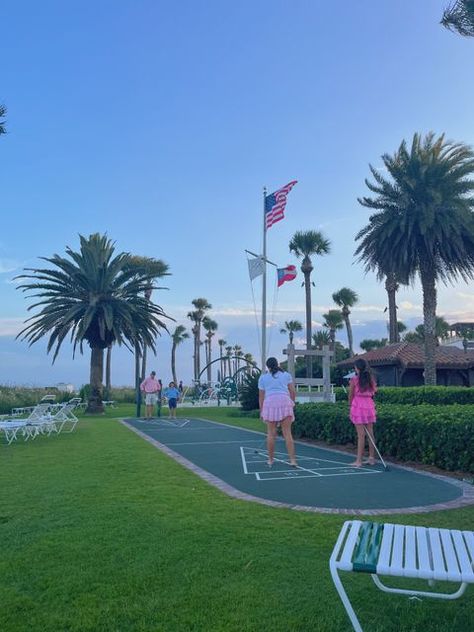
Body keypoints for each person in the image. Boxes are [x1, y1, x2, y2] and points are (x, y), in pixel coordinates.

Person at [258, 357, 297, 467]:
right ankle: (293, 460)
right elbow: (292, 392)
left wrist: (262, 411)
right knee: (287, 433)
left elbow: (261, 396)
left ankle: (270, 460)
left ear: (268, 367)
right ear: (277, 364)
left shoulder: (263, 378)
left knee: (271, 434)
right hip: (285, 401)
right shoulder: (286, 375)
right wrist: (292, 404)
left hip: (270, 403)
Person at [348, 358, 377, 467]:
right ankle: (371, 458)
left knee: (361, 435)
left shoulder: (354, 380)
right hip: (369, 405)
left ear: (357, 368)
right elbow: (373, 392)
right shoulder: (371, 379)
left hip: (358, 406)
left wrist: (350, 406)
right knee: (370, 433)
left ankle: (359, 461)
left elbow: (351, 395)